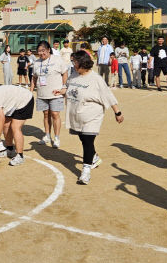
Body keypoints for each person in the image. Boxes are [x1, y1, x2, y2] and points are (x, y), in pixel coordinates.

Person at [53, 50, 123, 184]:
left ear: (82, 63)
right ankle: (94, 157)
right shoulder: (73, 75)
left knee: (87, 140)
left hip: (92, 114)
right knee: (83, 138)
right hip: (76, 114)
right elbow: (68, 89)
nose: (73, 65)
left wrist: (117, 112)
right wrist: (60, 91)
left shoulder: (95, 79)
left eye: (75, 62)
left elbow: (108, 95)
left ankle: (86, 171)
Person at [32, 40, 68, 147]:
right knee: (46, 114)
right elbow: (34, 77)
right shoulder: (37, 63)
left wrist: (64, 87)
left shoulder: (58, 60)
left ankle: (56, 138)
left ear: (48, 50)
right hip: (42, 93)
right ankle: (47, 135)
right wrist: (31, 90)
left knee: (55, 114)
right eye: (39, 51)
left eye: (43, 51)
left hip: (56, 93)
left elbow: (65, 73)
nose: (41, 53)